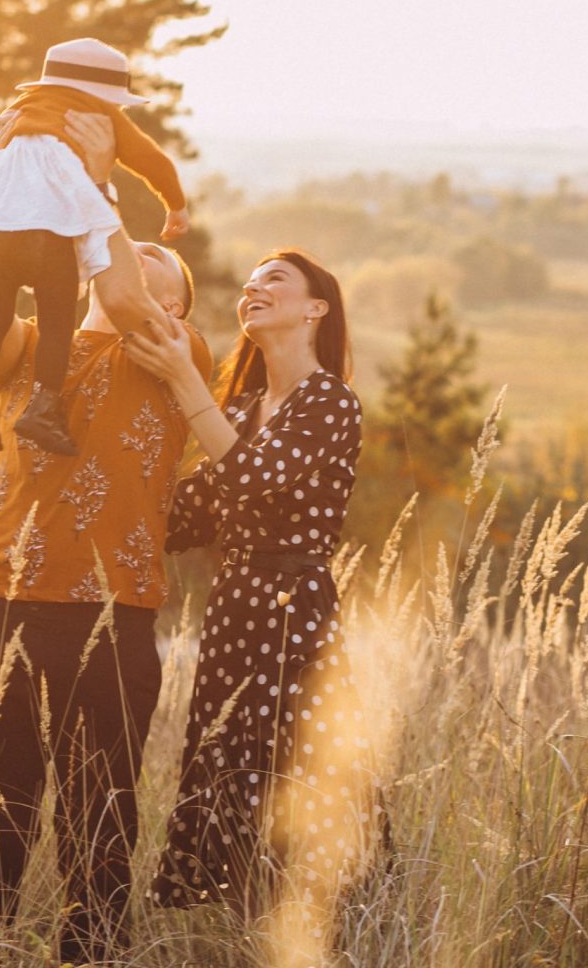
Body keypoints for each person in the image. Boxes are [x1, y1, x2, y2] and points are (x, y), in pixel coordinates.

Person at [0, 110, 212, 964]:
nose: (112, 267)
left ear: (172, 300)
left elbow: (125, 286)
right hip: (3, 605)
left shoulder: (174, 351)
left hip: (111, 616)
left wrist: (95, 186)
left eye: (145, 265)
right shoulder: (31, 353)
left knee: (100, 820)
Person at [123, 248, 392, 932]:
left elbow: (247, 478)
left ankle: (334, 931)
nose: (254, 287)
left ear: (316, 308)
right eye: (250, 281)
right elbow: (187, 516)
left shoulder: (329, 401)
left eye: (276, 278)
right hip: (233, 614)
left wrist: (186, 382)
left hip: (292, 612)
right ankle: (250, 935)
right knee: (230, 778)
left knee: (297, 775)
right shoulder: (241, 408)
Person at [0, 36, 190, 457]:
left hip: (0, 233)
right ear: (106, 95)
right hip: (50, 236)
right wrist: (176, 206)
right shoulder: (100, 114)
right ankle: (42, 409)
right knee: (57, 325)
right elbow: (152, 161)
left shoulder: (14, 115)